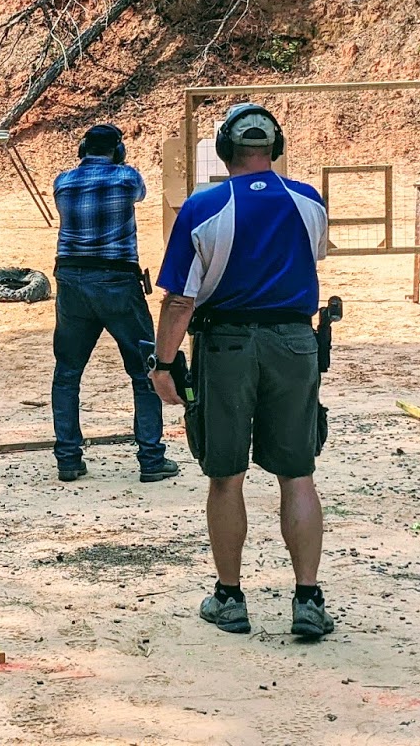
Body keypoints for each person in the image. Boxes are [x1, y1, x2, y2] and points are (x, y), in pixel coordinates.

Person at [147, 103, 332, 638]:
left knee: (225, 475)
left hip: (226, 344)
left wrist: (163, 364)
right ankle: (307, 600)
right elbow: (313, 256)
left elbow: (180, 301)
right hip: (296, 341)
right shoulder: (309, 200)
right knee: (297, 473)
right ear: (275, 147)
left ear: (225, 149)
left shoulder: (203, 207)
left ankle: (230, 598)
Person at [51, 123, 179, 484]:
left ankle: (68, 460)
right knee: (144, 370)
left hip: (72, 280)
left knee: (67, 373)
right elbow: (140, 193)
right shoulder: (126, 178)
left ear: (82, 148)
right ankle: (151, 459)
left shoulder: (63, 181)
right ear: (118, 151)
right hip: (118, 280)